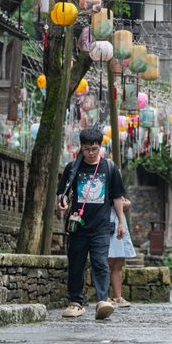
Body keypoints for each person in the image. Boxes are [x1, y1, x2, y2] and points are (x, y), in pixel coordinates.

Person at [57, 128, 126, 320]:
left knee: (100, 263)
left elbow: (117, 197)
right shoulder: (73, 167)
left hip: (101, 226)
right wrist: (61, 201)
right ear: (82, 147)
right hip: (77, 226)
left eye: (94, 149)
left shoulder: (110, 168)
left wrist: (121, 222)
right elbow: (61, 192)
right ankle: (75, 302)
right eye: (87, 149)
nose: (90, 153)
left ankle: (102, 301)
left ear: (100, 147)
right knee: (76, 264)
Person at [107, 194, 136, 308]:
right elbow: (119, 202)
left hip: (119, 222)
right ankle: (104, 297)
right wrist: (125, 203)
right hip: (107, 222)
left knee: (119, 261)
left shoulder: (117, 185)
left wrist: (125, 203)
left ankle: (117, 297)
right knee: (106, 261)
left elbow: (123, 202)